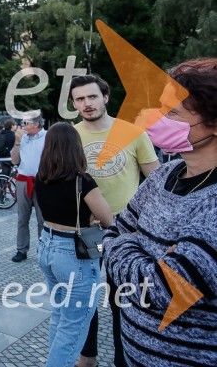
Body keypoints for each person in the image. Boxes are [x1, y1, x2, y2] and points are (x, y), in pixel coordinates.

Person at [105, 58, 217, 366]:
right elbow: (115, 230)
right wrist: (144, 253)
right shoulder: (164, 175)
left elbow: (159, 291)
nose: (157, 118)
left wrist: (126, 245)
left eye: (172, 112)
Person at [69, 74, 159, 367]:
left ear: (105, 98)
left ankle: (124, 359)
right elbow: (62, 182)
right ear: (74, 104)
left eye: (92, 96)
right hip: (86, 230)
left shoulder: (133, 133)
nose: (87, 103)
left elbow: (156, 182)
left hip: (126, 230)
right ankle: (88, 356)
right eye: (80, 99)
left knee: (123, 299)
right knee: (85, 297)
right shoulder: (71, 136)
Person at [34, 123, 113, 367]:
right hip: (73, 254)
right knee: (74, 325)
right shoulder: (82, 181)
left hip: (47, 245)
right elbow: (108, 219)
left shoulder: (41, 176)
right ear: (76, 147)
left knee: (59, 315)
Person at [10, 110, 47, 262]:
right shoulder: (22, 138)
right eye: (22, 122)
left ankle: (43, 249)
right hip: (23, 180)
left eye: (26, 122)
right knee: (22, 218)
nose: (22, 125)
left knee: (42, 219)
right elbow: (14, 160)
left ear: (36, 124)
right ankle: (21, 249)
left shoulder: (48, 137)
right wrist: (17, 142)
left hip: (42, 181)